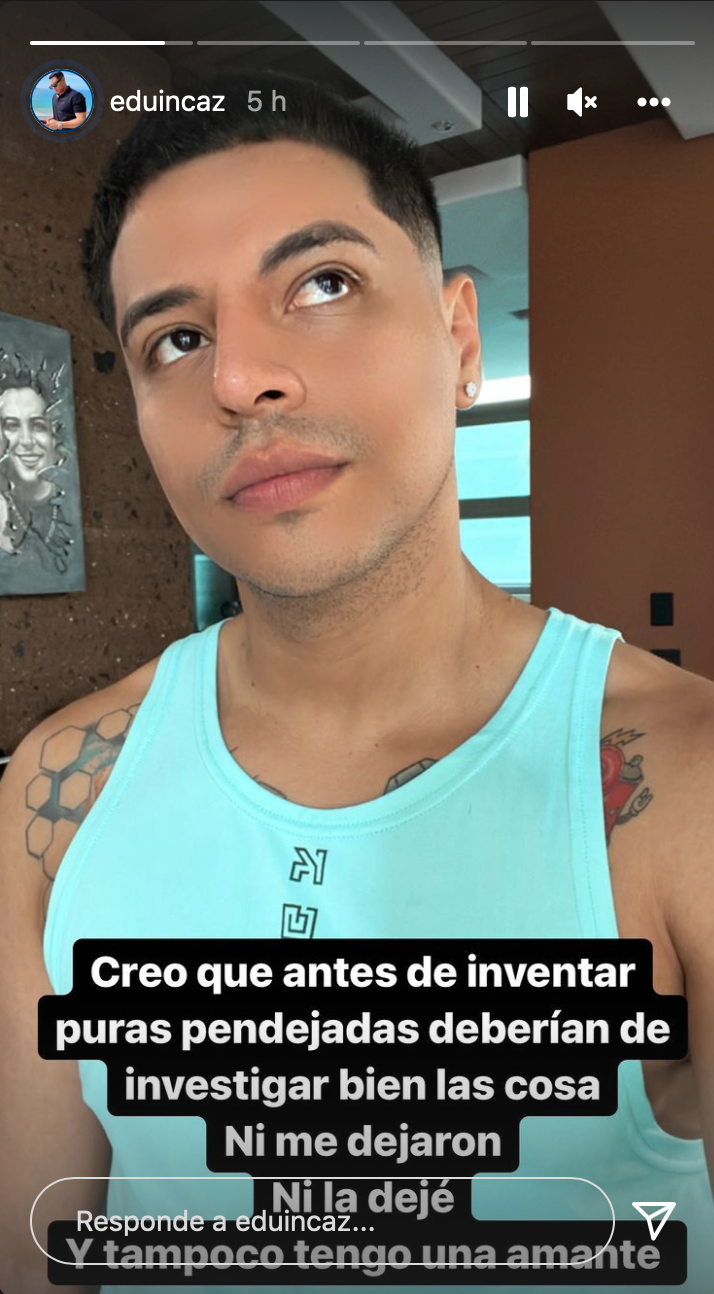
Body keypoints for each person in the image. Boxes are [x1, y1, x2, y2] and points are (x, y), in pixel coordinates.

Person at [1, 69, 713, 1294]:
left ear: (459, 340)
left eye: (322, 284)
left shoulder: (686, 784)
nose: (240, 379)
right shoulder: (54, 797)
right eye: (177, 338)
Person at [0, 361, 74, 574]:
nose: (26, 441)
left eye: (38, 426)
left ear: (55, 434)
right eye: (11, 426)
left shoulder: (69, 502)